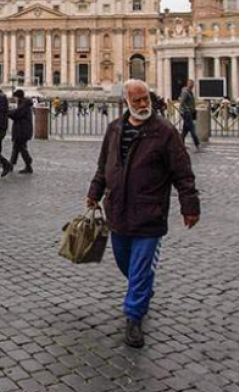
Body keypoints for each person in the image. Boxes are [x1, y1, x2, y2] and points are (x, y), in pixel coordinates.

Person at [86, 79, 200, 349]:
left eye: (145, 99)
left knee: (139, 267)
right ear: (126, 101)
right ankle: (143, 288)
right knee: (125, 261)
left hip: (150, 211)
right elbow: (104, 166)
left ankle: (134, 317)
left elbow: (182, 171)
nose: (142, 104)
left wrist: (190, 204)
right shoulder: (114, 130)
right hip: (119, 209)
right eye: (136, 100)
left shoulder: (165, 131)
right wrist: (94, 192)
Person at [7, 89, 34, 174]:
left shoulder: (24, 105)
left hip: (22, 130)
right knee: (16, 148)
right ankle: (11, 165)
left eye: (15, 97)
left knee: (21, 148)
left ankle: (28, 162)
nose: (14, 99)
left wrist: (7, 112)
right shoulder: (23, 104)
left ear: (18, 97)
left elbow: (16, 114)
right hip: (21, 129)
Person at [178, 79, 201, 152]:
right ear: (188, 84)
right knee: (192, 129)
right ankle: (197, 145)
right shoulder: (186, 92)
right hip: (187, 113)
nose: (192, 85)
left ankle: (180, 144)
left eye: (192, 84)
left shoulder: (190, 92)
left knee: (185, 130)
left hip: (189, 112)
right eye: (191, 84)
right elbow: (182, 102)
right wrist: (187, 109)